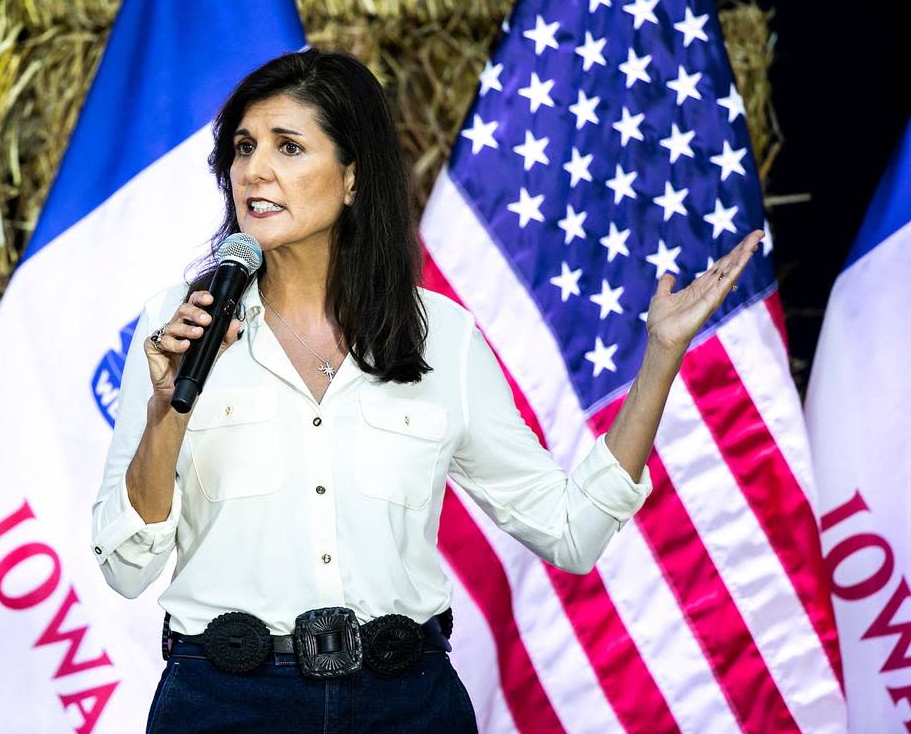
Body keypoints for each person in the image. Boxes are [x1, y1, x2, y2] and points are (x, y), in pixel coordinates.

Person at [90, 48, 764, 733]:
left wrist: (660, 357)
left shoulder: (442, 335)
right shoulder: (180, 323)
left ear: (352, 179)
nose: (254, 170)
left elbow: (570, 532)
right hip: (225, 703)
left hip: (404, 703)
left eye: (288, 147)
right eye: (243, 147)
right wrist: (164, 410)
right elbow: (124, 565)